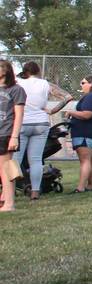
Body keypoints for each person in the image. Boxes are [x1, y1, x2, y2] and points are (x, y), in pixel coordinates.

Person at [13, 61, 72, 200]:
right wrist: (52, 110)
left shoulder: (18, 83)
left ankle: (10, 192)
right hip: (41, 122)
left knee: (16, 159)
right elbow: (68, 97)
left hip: (22, 122)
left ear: (24, 71)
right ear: (38, 71)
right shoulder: (45, 84)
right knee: (36, 160)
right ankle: (35, 192)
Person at [65, 75, 92, 193]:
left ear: (91, 84)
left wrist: (71, 112)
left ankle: (80, 187)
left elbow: (87, 114)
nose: (81, 85)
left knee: (84, 160)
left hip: (84, 131)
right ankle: (90, 185)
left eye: (83, 83)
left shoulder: (91, 96)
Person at [0, 60, 26, 212]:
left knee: (6, 168)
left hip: (6, 133)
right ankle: (5, 199)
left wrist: (14, 136)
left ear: (5, 71)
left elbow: (19, 114)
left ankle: (9, 204)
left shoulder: (16, 90)